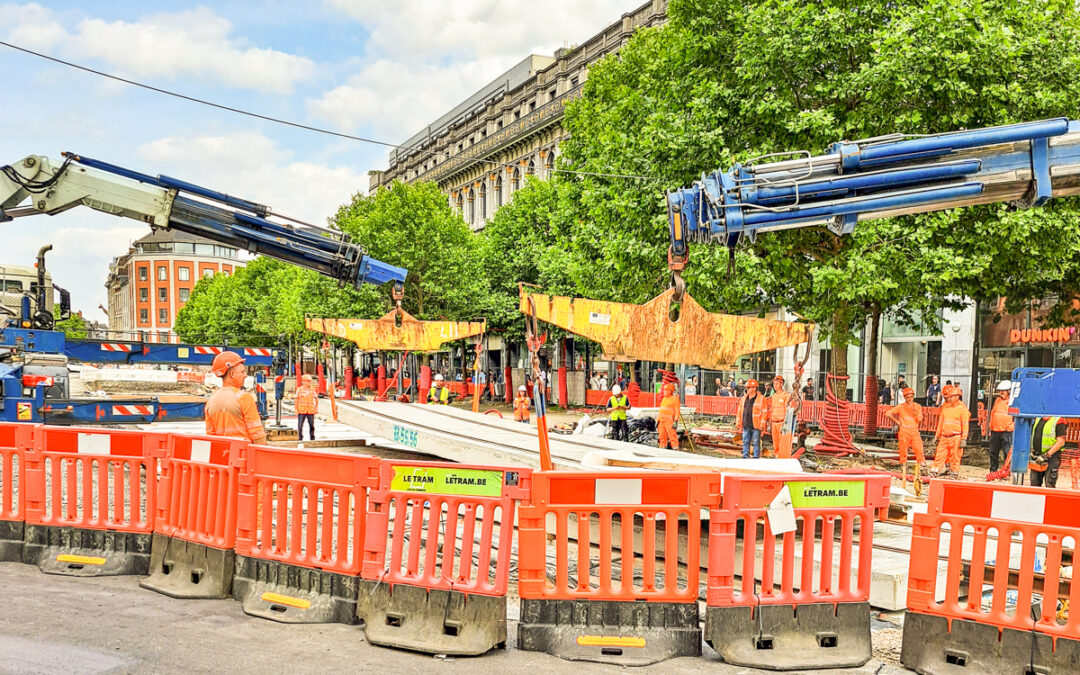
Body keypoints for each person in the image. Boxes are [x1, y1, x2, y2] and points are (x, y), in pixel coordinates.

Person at [205, 351, 266, 444]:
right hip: (244, 455)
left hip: (223, 455)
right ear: (232, 374)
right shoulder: (244, 398)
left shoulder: (211, 401)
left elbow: (211, 437)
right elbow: (258, 436)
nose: (245, 375)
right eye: (242, 372)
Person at [932, 385, 970, 477]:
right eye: (949, 397)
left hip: (956, 437)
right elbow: (941, 424)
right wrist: (937, 436)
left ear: (957, 397)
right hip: (944, 437)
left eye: (951, 397)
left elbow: (965, 425)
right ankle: (935, 471)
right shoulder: (946, 409)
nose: (949, 398)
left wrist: (964, 439)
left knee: (955, 456)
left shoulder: (962, 410)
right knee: (940, 454)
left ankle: (954, 472)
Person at [885, 387, 925, 470]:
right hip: (904, 430)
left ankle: (921, 463)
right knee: (903, 448)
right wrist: (898, 422)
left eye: (911, 397)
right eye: (908, 397)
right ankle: (903, 464)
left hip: (914, 430)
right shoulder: (901, 407)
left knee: (918, 448)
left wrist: (914, 410)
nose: (910, 399)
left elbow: (920, 419)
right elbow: (888, 414)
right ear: (904, 398)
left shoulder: (917, 406)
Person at [1029, 415, 1067, 487]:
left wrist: (1046, 455)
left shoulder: (1059, 420)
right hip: (1037, 456)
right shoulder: (1038, 418)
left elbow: (1060, 441)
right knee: (1034, 482)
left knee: (1049, 483)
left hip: (1052, 457)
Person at [736, 379, 768, 458]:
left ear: (754, 388)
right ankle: (745, 456)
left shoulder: (761, 398)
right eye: (747, 388)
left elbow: (764, 412)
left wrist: (762, 424)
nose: (747, 389)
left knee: (756, 443)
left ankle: (756, 457)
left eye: (748, 388)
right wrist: (738, 422)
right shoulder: (744, 398)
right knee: (745, 441)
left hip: (756, 426)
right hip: (746, 424)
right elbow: (740, 411)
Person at [988, 380, 1014, 474]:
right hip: (995, 430)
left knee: (1007, 452)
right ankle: (993, 470)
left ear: (1009, 391)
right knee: (993, 452)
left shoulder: (1012, 401)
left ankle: (1006, 472)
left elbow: (1016, 416)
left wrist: (1011, 425)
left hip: (1006, 431)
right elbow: (993, 413)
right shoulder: (997, 400)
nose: (1000, 393)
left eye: (1003, 391)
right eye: (1000, 391)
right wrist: (991, 427)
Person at [767, 375, 795, 458]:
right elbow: (772, 410)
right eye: (774, 384)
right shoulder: (774, 396)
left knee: (782, 442)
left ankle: (782, 457)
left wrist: (784, 423)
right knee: (775, 442)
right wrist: (769, 423)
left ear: (781, 384)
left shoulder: (786, 395)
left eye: (777, 384)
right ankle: (777, 456)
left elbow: (788, 410)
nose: (775, 386)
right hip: (774, 423)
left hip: (781, 422)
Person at [657, 382, 681, 449]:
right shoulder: (664, 399)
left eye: (665, 390)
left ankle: (675, 448)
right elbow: (661, 410)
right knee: (662, 436)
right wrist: (658, 420)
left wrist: (676, 421)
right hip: (662, 421)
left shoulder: (675, 399)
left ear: (670, 391)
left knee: (672, 436)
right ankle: (662, 448)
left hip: (669, 421)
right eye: (664, 390)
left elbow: (677, 411)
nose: (664, 392)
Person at [294, 374, 318, 441]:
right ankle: (300, 438)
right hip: (301, 410)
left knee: (311, 425)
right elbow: (296, 400)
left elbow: (316, 399)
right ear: (303, 381)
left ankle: (312, 437)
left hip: (310, 411)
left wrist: (316, 408)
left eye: (309, 381)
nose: (309, 383)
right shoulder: (299, 390)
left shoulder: (312, 390)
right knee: (300, 426)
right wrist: (296, 409)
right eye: (307, 381)